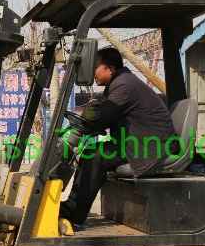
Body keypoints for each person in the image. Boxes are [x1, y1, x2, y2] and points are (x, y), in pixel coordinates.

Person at [59, 47, 176, 226]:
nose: (93, 72)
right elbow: (103, 116)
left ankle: (74, 211)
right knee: (93, 151)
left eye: (96, 67)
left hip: (150, 147)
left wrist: (92, 115)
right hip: (137, 143)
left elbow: (103, 117)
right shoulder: (119, 83)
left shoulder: (124, 85)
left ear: (110, 69)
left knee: (95, 156)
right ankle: (73, 207)